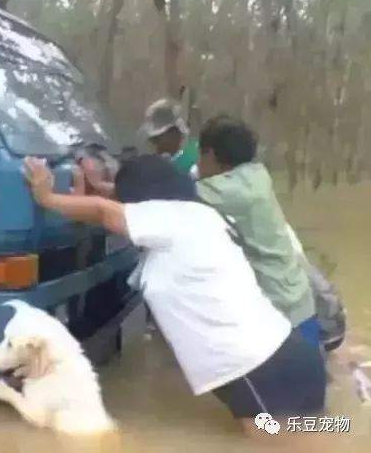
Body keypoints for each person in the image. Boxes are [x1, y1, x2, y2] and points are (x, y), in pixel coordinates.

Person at [24, 154, 326, 436]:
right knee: (325, 433)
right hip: (287, 356)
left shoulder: (171, 218)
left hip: (260, 371)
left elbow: (105, 212)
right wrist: (82, 190)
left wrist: (47, 198)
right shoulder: (193, 217)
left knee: (283, 444)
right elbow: (109, 208)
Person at [195, 116, 319, 347]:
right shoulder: (256, 174)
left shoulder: (227, 190)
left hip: (282, 312)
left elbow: (173, 194)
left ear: (210, 155)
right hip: (299, 303)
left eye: (200, 155)